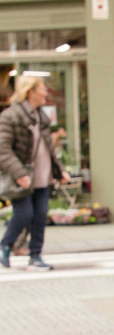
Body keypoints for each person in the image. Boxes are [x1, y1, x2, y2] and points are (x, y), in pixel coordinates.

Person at [0, 75, 70, 271]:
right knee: (24, 214)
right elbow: (2, 149)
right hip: (22, 177)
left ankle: (35, 255)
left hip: (42, 175)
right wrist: (19, 173)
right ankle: (5, 244)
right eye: (42, 88)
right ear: (30, 92)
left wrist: (59, 172)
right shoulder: (11, 116)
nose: (45, 92)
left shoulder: (41, 116)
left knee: (40, 216)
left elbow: (47, 148)